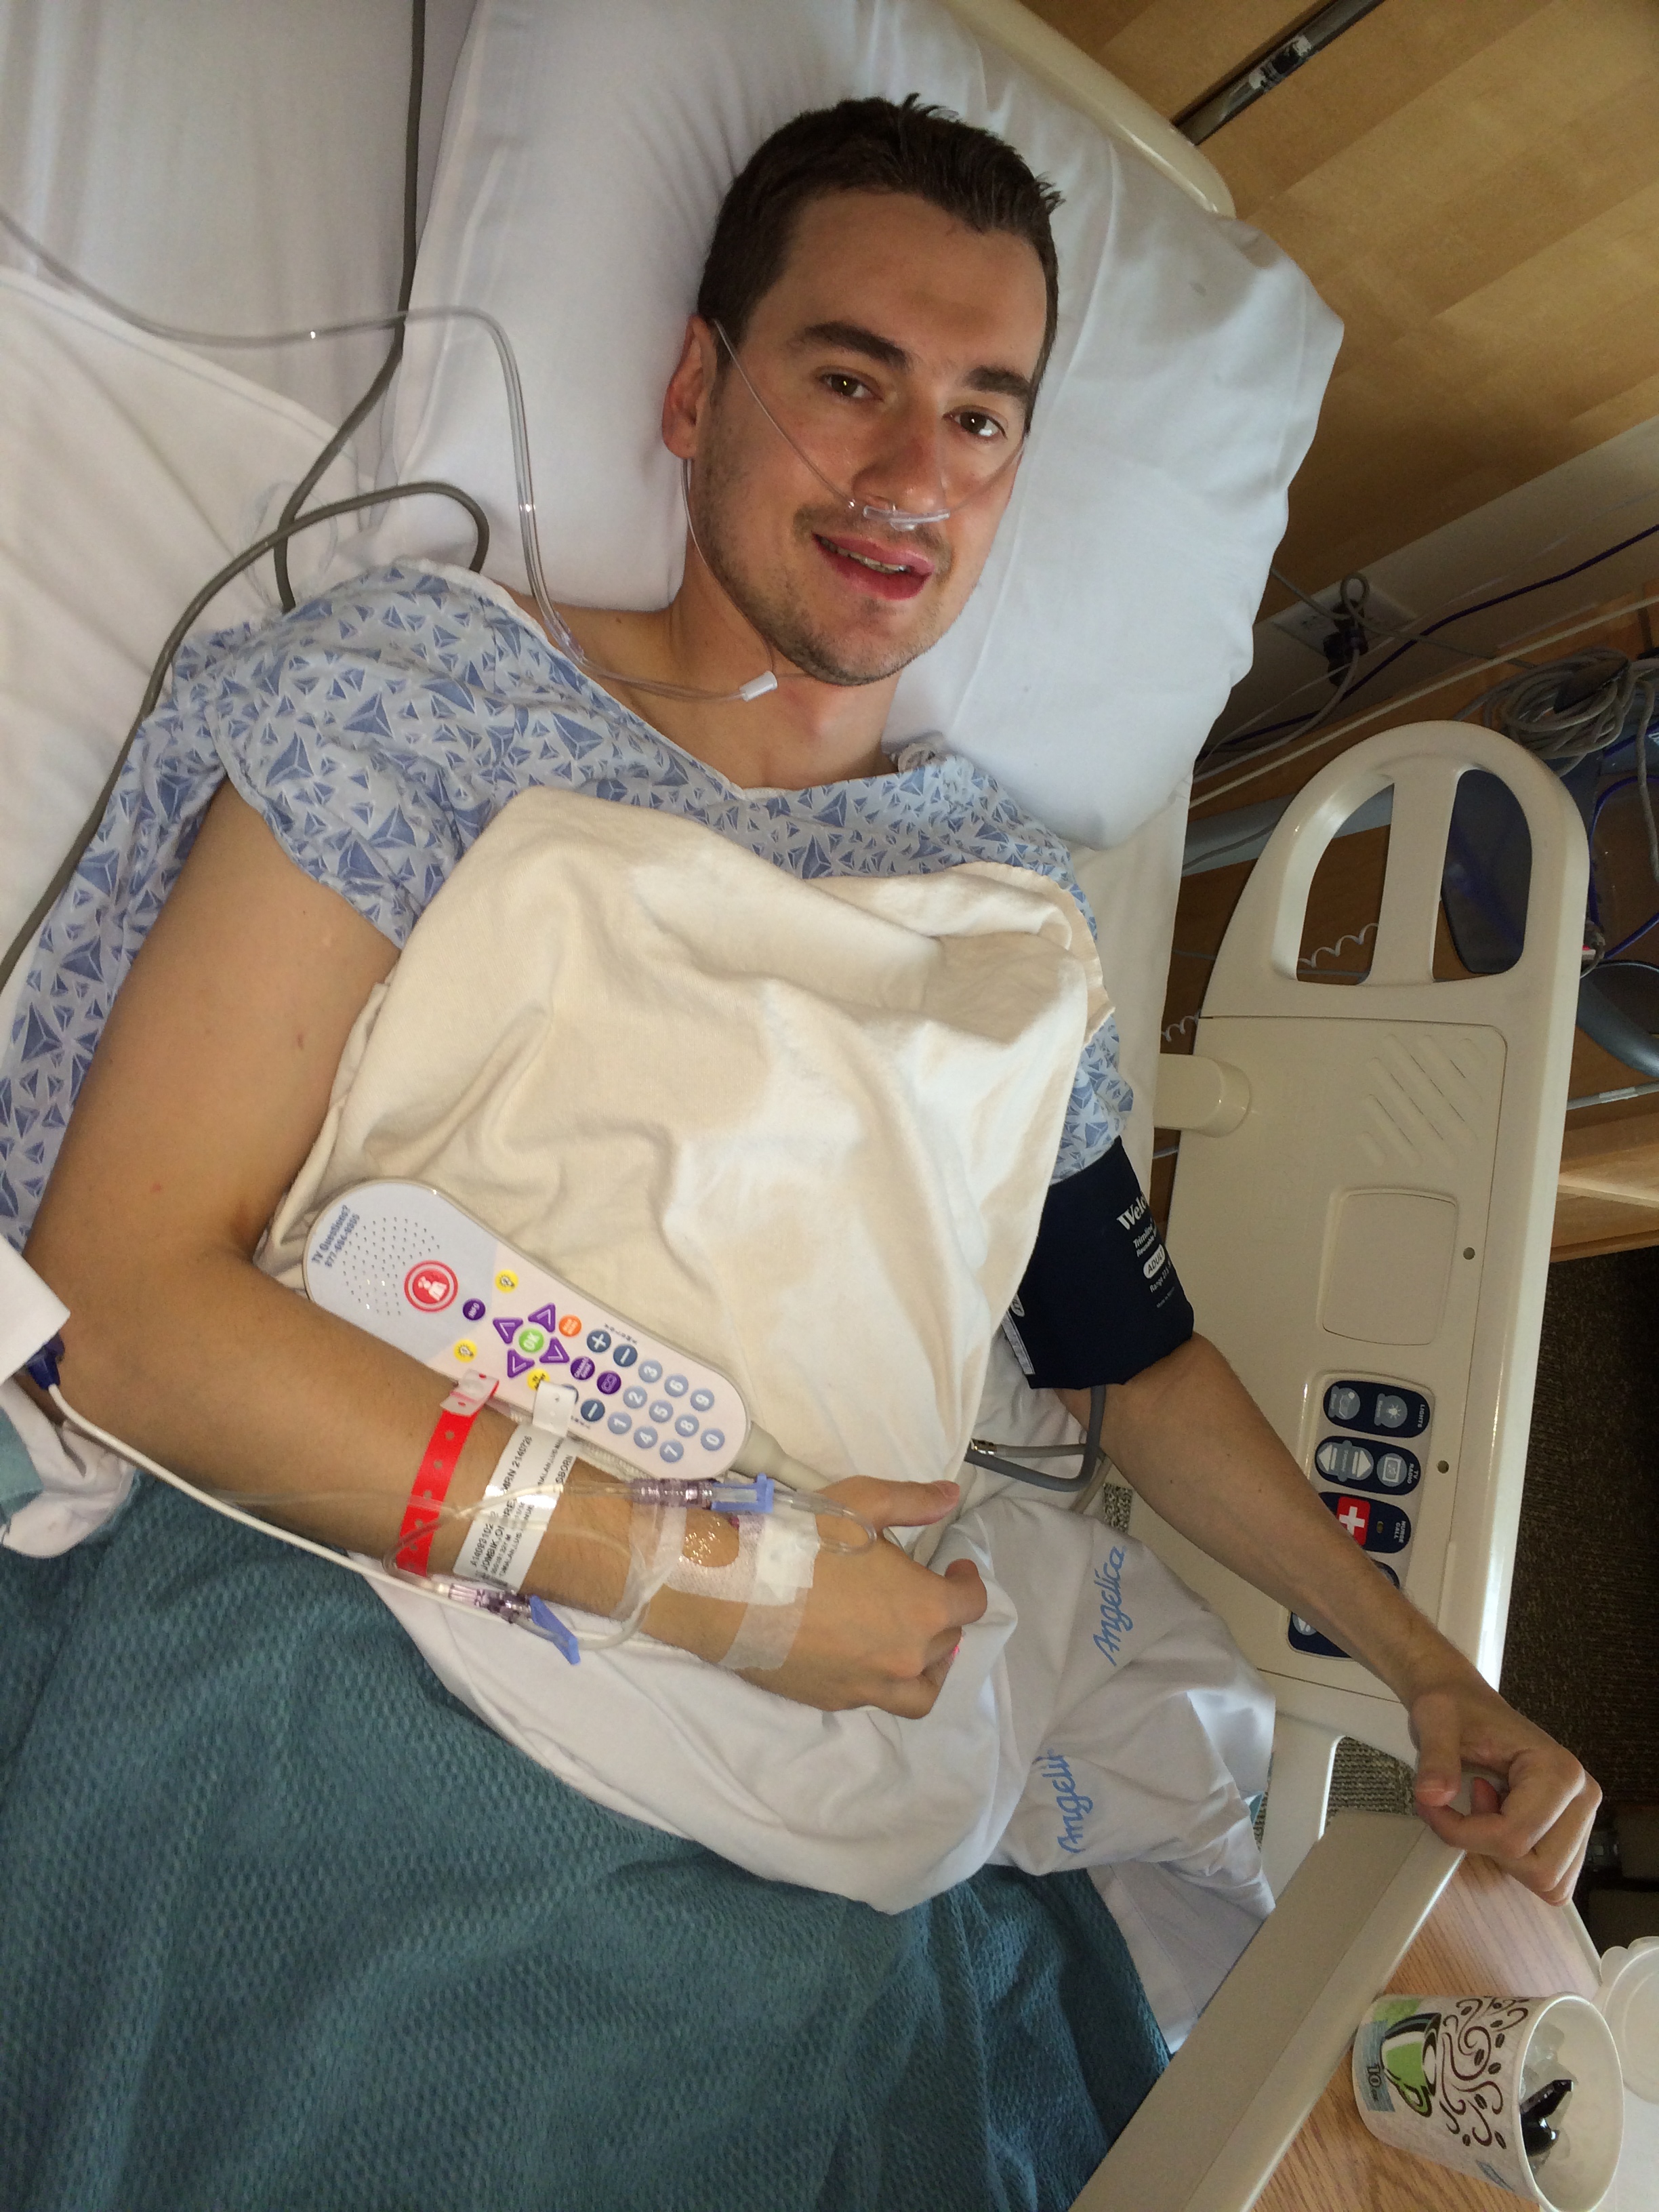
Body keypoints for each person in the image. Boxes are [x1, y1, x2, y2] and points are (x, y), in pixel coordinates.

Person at [9, 97, 1595, 1910]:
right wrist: (724, 1583)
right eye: (851, 382)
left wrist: (1424, 1671)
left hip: (834, 1741)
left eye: (980, 417)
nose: (916, 474)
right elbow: (123, 1309)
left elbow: (1130, 1360)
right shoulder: (427, 705)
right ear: (696, 394)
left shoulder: (1003, 906)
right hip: (396, 1649)